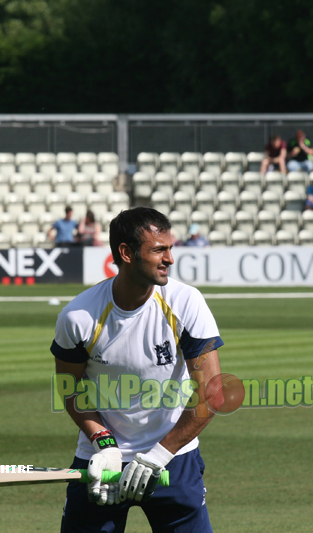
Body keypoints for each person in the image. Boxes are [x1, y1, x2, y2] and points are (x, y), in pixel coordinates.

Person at [51, 207, 223, 532]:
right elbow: (69, 389)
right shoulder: (78, 316)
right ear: (126, 253)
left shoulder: (187, 302)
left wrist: (158, 455)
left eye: (170, 248)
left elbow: (211, 393)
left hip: (173, 458)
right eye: (159, 249)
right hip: (102, 465)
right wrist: (104, 444)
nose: (170, 258)